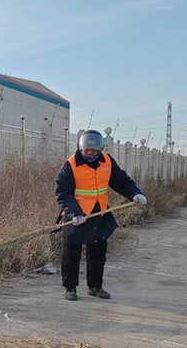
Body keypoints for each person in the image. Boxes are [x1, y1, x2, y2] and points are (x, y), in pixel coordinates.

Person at [55, 129, 147, 301]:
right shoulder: (71, 165)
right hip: (76, 214)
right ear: (80, 148)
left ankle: (95, 286)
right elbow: (62, 192)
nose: (90, 153)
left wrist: (134, 193)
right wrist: (75, 212)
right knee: (71, 251)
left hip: (99, 211)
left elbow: (121, 180)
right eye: (86, 150)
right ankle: (70, 287)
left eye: (94, 150)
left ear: (100, 149)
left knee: (98, 250)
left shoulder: (107, 161)